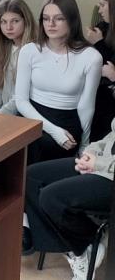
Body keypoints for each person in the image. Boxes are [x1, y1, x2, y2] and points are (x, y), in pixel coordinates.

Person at [23, 117, 115, 279]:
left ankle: (86, 242)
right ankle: (79, 248)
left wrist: (98, 163)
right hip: (101, 163)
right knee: (30, 177)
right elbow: (111, 136)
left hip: (110, 175)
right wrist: (90, 153)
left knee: (52, 198)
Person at [15, 0, 102, 164]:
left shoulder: (91, 57)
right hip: (30, 116)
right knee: (25, 142)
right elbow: (21, 100)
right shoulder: (29, 50)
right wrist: (53, 130)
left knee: (44, 147)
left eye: (59, 18)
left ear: (72, 20)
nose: (51, 24)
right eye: (46, 18)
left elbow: (86, 106)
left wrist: (84, 145)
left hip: (67, 120)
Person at [0, 0, 37, 115]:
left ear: (26, 21)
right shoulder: (3, 47)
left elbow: (20, 97)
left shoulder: (35, 50)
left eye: (15, 21)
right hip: (6, 116)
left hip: (25, 117)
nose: (8, 27)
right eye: (3, 22)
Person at [85, 0, 115, 142]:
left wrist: (98, 43)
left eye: (103, 5)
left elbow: (109, 65)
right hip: (99, 87)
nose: (99, 10)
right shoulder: (103, 27)